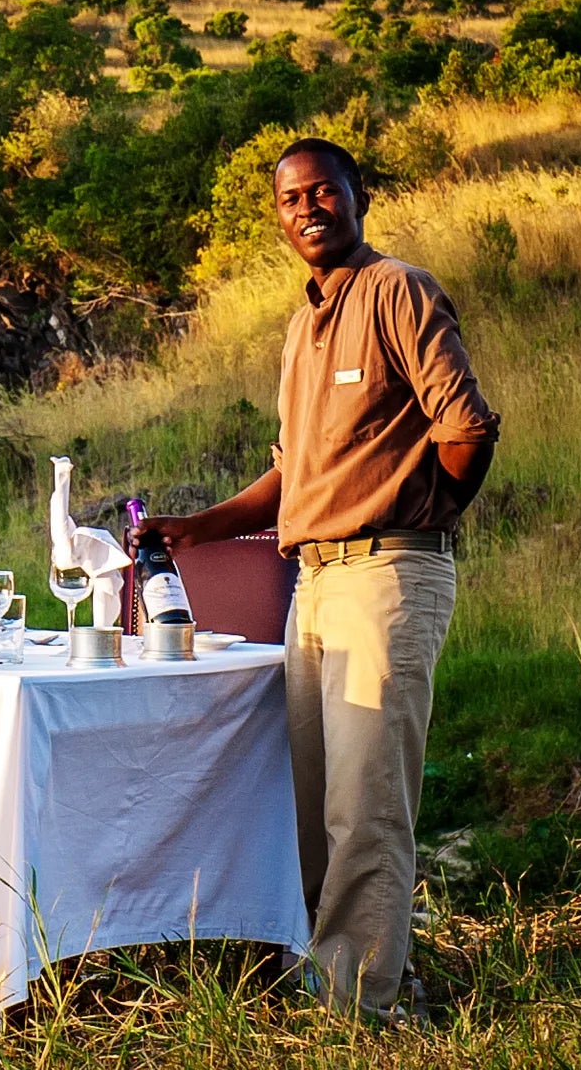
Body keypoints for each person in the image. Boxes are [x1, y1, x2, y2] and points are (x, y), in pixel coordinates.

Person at [134, 137, 498, 1019]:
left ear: (355, 195)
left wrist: (422, 514)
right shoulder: (304, 323)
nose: (305, 209)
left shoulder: (397, 291)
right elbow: (296, 472)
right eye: (289, 199)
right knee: (305, 801)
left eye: (321, 192)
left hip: (387, 576)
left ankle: (359, 1007)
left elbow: (468, 429)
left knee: (365, 806)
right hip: (314, 584)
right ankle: (316, 975)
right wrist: (200, 527)